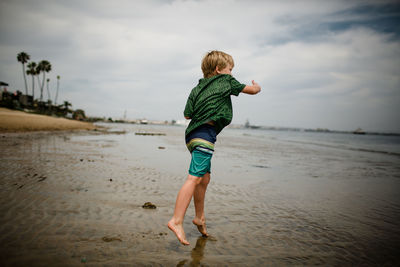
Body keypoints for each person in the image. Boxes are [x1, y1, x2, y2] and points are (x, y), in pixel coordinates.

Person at [167, 50, 261, 245]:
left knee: (204, 178)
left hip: (192, 136)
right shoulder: (226, 81)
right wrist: (256, 86)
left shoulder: (196, 88)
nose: (232, 73)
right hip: (205, 135)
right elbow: (251, 91)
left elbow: (187, 115)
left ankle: (199, 218)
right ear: (219, 70)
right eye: (230, 69)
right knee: (194, 178)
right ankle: (176, 220)